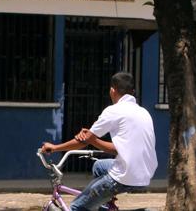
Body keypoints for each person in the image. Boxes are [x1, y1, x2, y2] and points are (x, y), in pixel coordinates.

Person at [40, 72, 157, 211]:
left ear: (112, 90)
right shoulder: (143, 112)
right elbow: (116, 149)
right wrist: (93, 139)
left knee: (77, 207)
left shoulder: (114, 111)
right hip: (145, 173)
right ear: (132, 92)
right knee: (98, 166)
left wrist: (54, 148)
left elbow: (83, 142)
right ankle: (104, 204)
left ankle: (102, 196)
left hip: (124, 175)